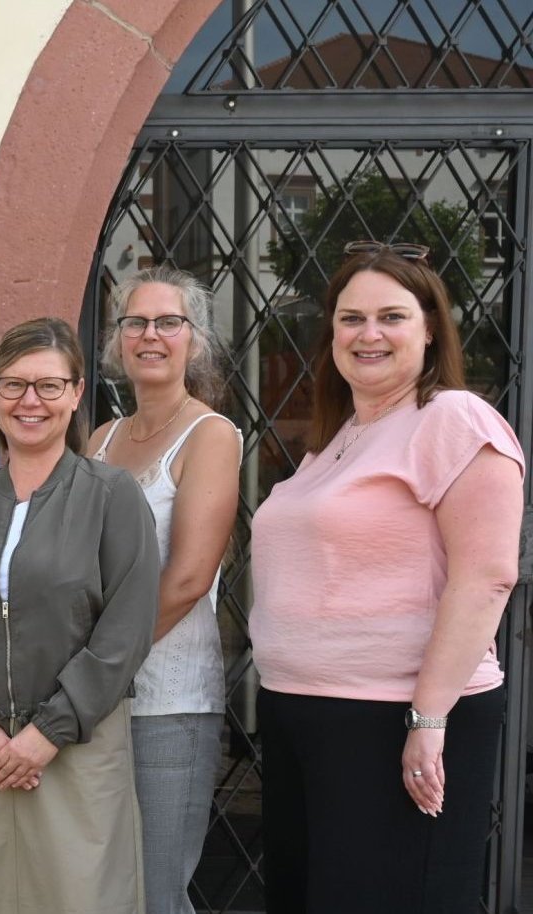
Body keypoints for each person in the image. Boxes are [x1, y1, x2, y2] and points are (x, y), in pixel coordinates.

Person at [248, 244, 523, 913]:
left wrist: (428, 718)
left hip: (394, 719)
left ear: (429, 330)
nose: (368, 333)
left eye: (391, 316)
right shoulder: (339, 436)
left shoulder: (453, 418)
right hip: (301, 713)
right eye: (351, 318)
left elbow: (486, 576)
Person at [0, 316, 160, 914]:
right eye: (14, 384)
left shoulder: (112, 497)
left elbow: (125, 631)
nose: (30, 401)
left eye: (49, 385)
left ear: (76, 394)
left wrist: (49, 731)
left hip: (75, 751)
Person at [87, 267, 239, 914]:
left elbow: (189, 577)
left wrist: (99, 662)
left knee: (156, 891)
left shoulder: (210, 435)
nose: (150, 335)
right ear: (117, 340)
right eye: (136, 323)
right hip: (93, 698)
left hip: (168, 700)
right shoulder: (100, 439)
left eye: (168, 322)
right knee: (101, 885)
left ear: (194, 340)